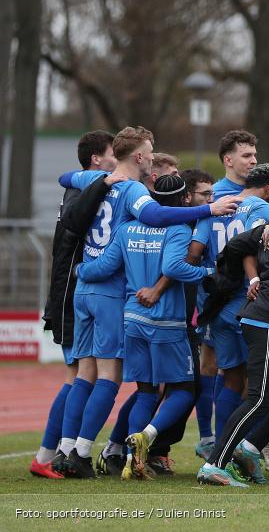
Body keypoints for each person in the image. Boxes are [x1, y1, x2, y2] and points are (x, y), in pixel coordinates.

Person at [54, 126, 239, 478]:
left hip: (89, 290)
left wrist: (78, 269)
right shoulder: (135, 191)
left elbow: (66, 176)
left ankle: (67, 449)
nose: (153, 157)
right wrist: (209, 211)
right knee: (113, 378)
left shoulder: (98, 180)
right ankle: (82, 452)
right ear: (138, 156)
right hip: (119, 297)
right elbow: (156, 218)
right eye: (150, 152)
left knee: (88, 374)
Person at [75, 174, 214, 480]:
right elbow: (173, 268)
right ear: (183, 200)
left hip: (133, 319)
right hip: (166, 321)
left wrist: (79, 269)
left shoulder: (126, 229)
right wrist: (208, 272)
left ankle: (130, 460)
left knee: (146, 392)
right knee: (184, 389)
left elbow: (104, 267)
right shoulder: (177, 228)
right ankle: (147, 436)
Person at [30, 131, 117, 479]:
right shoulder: (84, 193)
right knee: (77, 375)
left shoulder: (81, 186)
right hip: (70, 297)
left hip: (72, 295)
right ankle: (47, 455)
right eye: (112, 153)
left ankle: (51, 454)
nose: (115, 160)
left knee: (83, 375)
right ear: (97, 159)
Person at [189, 164, 269, 461]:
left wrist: (213, 279)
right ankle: (242, 451)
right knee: (259, 386)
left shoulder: (215, 208)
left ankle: (218, 450)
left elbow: (192, 253)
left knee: (229, 378)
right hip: (252, 305)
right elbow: (257, 249)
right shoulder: (265, 211)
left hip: (218, 307)